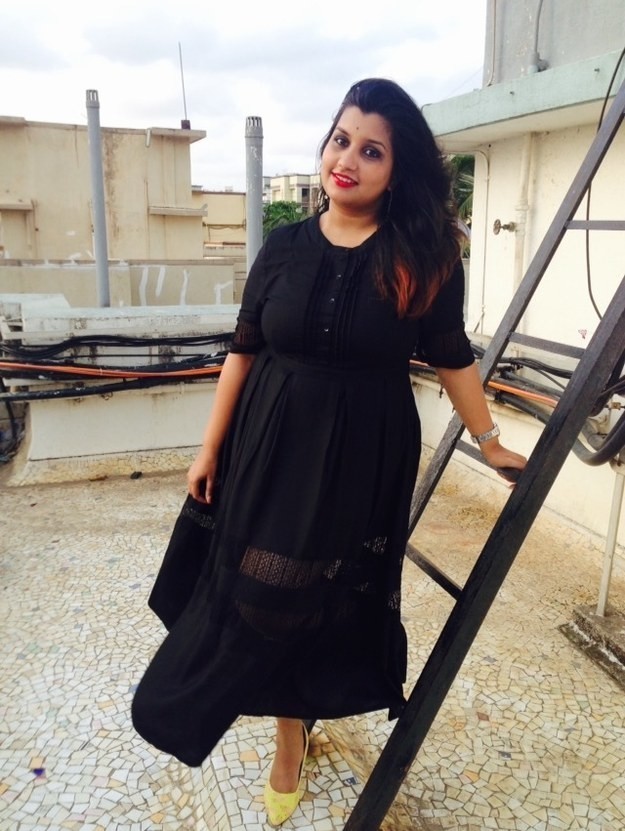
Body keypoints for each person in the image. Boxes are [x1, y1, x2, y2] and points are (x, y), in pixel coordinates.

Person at [132, 78, 526, 826]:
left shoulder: (424, 254)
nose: (347, 160)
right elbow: (243, 351)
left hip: (361, 457)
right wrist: (207, 449)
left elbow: (450, 354)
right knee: (259, 591)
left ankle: (293, 729)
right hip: (270, 445)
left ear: (396, 171)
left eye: (371, 150)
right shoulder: (283, 248)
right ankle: (285, 728)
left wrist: (491, 440)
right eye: (341, 140)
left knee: (312, 595)